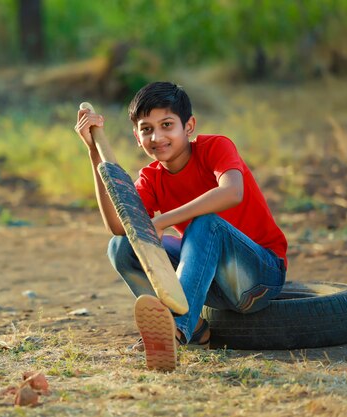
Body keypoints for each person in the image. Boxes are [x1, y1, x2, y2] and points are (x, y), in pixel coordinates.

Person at [74, 81, 287, 370]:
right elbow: (118, 225)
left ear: (188, 127)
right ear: (137, 137)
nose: (157, 136)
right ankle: (195, 328)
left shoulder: (215, 147)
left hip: (260, 275)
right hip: (212, 283)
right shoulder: (151, 178)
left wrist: (163, 220)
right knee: (121, 247)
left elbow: (232, 192)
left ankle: (175, 330)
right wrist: (94, 153)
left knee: (207, 223)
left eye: (166, 125)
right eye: (147, 129)